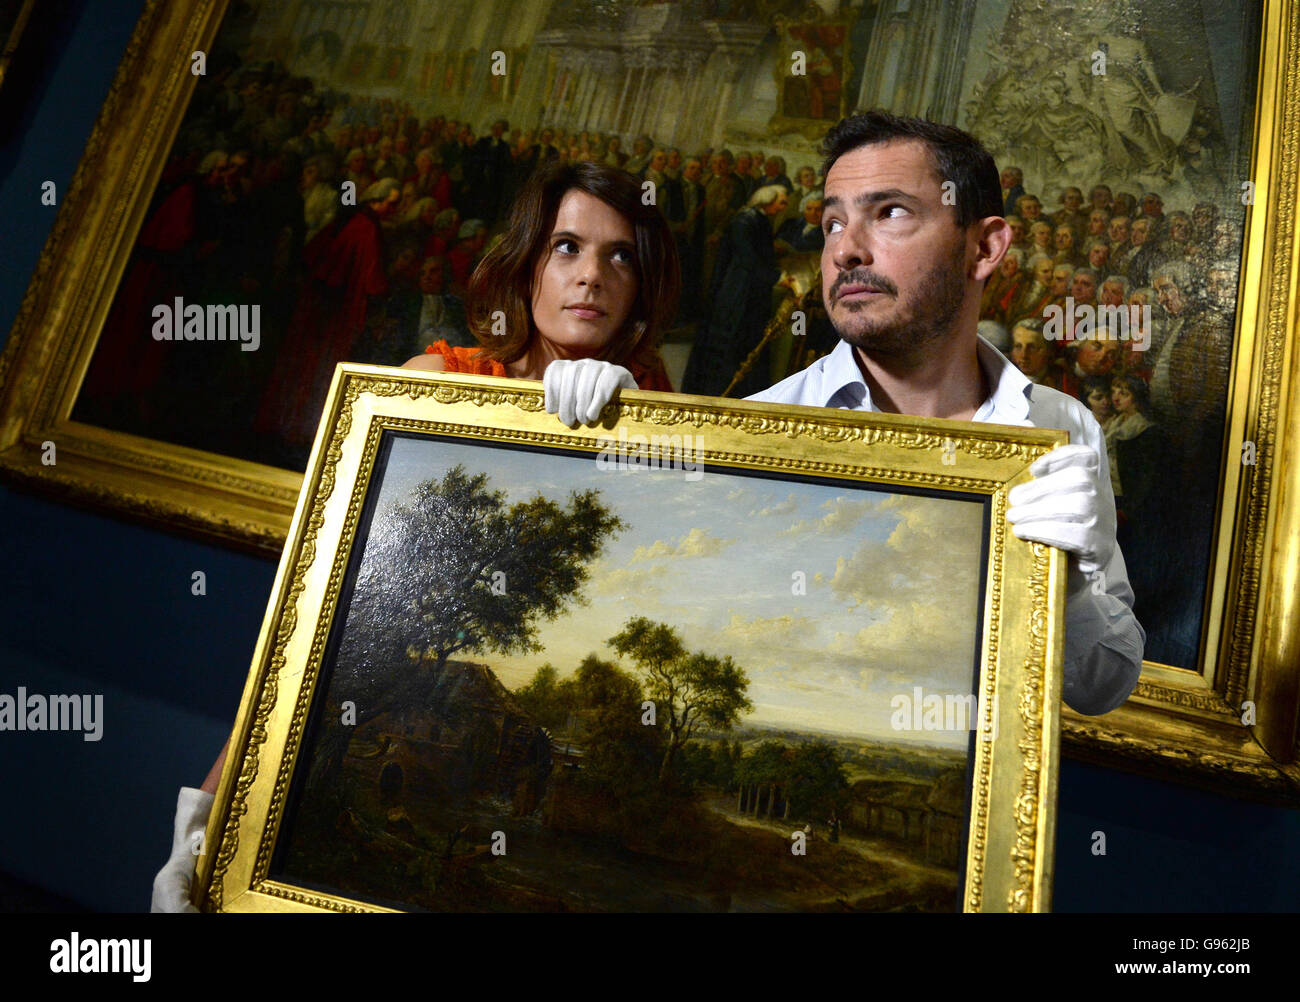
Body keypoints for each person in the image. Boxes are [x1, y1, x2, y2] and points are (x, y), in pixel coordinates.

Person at [151, 160, 682, 912]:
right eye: (567, 247)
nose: (590, 275)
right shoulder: (430, 386)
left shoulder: (669, 420)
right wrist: (206, 824)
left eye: (619, 254)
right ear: (527, 262)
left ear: (642, 284)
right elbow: (326, 628)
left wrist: (635, 435)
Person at [548, 110, 1145, 719]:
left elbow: (1101, 687)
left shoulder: (1061, 428)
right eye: (833, 222)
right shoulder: (759, 426)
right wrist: (598, 440)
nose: (845, 251)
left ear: (985, 246)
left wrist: (1075, 579)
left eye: (889, 213)